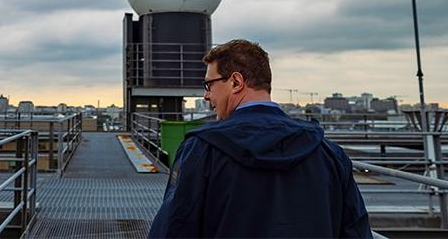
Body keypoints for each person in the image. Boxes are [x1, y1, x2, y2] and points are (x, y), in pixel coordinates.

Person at [148, 39, 372, 238]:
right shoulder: (328, 153)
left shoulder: (202, 150)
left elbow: (175, 227)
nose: (206, 95)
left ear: (236, 82)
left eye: (209, 84)